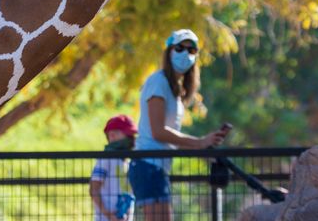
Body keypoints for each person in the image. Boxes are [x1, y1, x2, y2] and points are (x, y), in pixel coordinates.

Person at [129, 29, 229, 220]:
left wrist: (206, 145)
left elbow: (171, 138)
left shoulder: (175, 90)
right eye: (180, 48)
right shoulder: (158, 82)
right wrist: (199, 142)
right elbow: (158, 132)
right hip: (147, 165)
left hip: (158, 168)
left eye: (192, 50)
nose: (186, 54)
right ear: (169, 51)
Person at [91, 114, 138, 221]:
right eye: (128, 135)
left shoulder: (128, 161)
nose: (132, 139)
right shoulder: (105, 159)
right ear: (112, 135)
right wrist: (108, 214)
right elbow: (94, 189)